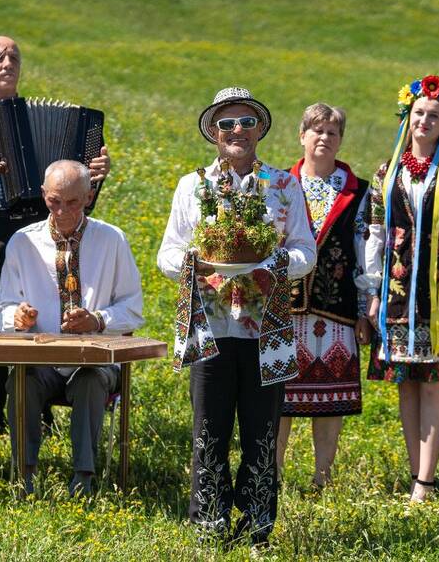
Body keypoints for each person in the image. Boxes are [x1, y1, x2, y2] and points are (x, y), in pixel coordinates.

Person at [157, 87, 316, 547]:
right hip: (208, 324)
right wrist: (193, 263)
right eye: (226, 124)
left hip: (268, 326)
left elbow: (306, 251)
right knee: (209, 425)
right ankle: (209, 524)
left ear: (260, 130)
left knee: (262, 427)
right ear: (213, 132)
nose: (237, 131)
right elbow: (168, 253)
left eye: (246, 122)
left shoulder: (284, 186)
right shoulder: (192, 185)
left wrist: (272, 266)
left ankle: (258, 528)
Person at [0, 35, 111, 448]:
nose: (6, 63)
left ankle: (34, 405)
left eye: (14, 57)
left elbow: (76, 190)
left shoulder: (58, 119)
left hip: (42, 223)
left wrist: (95, 172)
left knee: (41, 306)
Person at [361, 75, 439, 502]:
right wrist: (371, 291)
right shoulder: (385, 173)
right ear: (406, 120)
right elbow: (374, 233)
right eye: (418, 114)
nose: (424, 121)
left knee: (433, 382)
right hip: (395, 293)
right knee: (407, 382)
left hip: (437, 296)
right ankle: (416, 473)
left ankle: (426, 481)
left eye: (434, 115)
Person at [0, 160, 143, 496]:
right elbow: (4, 306)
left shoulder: (111, 239)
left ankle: (83, 478)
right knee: (22, 378)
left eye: (72, 202)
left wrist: (99, 320)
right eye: (54, 201)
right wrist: (18, 317)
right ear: (44, 195)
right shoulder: (22, 242)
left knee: (90, 380)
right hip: (43, 360)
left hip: (96, 361)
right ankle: (24, 473)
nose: (62, 211)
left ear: (89, 197)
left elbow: (133, 309)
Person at [276, 103, 371, 490]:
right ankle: (274, 474)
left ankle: (322, 477)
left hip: (336, 311)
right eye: (316, 130)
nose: (324, 138)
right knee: (278, 397)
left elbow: (367, 251)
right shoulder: (279, 184)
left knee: (330, 399)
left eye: (332, 132)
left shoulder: (358, 191)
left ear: (340, 140)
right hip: (283, 309)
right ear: (301, 136)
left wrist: (366, 310)